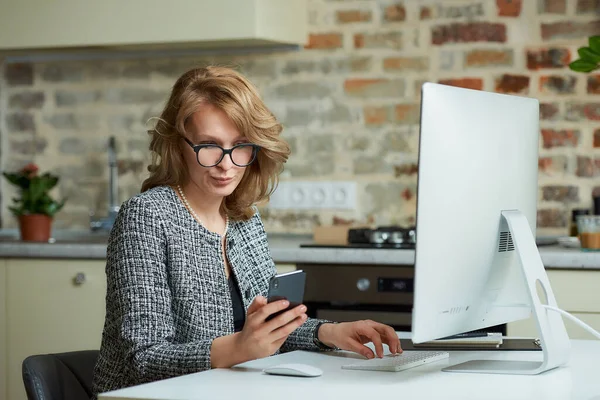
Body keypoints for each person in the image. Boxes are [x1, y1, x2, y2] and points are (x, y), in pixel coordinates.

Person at [91, 65, 402, 397]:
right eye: (209, 145)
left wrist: (331, 332)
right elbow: (143, 359)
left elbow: (263, 334)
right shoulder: (147, 216)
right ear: (178, 145)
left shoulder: (244, 219)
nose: (227, 164)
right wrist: (239, 348)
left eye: (240, 145)